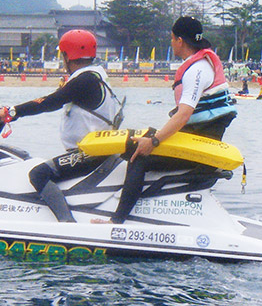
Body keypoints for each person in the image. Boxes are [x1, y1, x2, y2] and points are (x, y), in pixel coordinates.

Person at [92, 16, 236, 224]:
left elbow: (184, 114)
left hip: (199, 147)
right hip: (198, 139)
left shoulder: (196, 70)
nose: (171, 42)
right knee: (140, 141)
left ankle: (117, 220)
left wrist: (154, 141)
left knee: (138, 156)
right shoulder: (202, 63)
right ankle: (144, 206)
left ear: (179, 40)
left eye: (171, 38)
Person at [0, 29, 123, 223]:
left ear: (66, 55)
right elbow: (52, 99)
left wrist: (9, 113)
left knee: (39, 173)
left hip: (90, 154)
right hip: (98, 149)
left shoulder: (84, 80)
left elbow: (50, 102)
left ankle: (66, 223)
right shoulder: (96, 76)